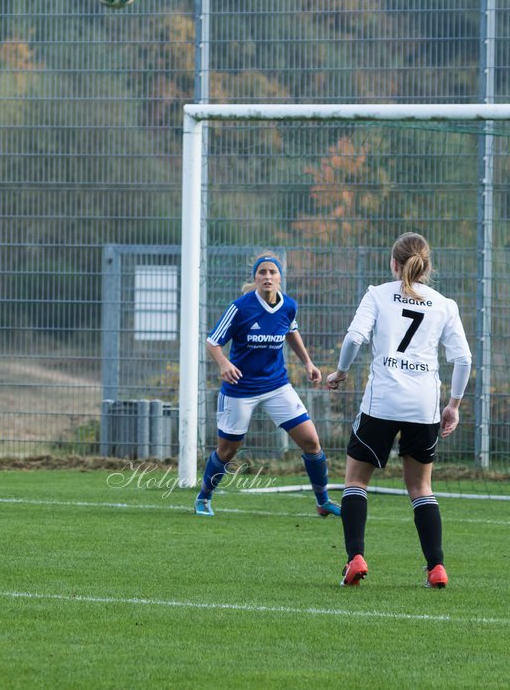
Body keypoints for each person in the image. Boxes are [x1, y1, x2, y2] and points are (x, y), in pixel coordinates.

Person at [325, 232, 471, 589]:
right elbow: (463, 358)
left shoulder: (377, 294)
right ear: (427, 266)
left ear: (393, 263)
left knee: (356, 481)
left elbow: (354, 338)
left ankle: (355, 558)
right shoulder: (443, 304)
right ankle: (436, 567)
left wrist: (341, 372)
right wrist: (452, 405)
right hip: (424, 406)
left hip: (383, 401)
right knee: (421, 488)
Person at [194, 252, 340, 519]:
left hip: (276, 386)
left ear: (280, 277)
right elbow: (212, 342)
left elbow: (290, 331)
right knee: (227, 450)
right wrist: (224, 364)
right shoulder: (240, 307)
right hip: (240, 389)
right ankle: (203, 497)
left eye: (273, 272)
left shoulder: (288, 306)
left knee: (312, 442)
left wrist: (308, 363)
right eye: (262, 272)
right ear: (255, 278)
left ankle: (323, 501)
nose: (268, 277)